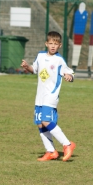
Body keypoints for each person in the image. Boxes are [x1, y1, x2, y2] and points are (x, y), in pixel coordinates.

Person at [21, 31, 76, 161]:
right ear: (46, 43)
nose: (52, 46)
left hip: (51, 95)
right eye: (50, 43)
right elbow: (34, 69)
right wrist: (26, 66)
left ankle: (67, 144)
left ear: (60, 46)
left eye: (55, 44)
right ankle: (51, 151)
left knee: (46, 121)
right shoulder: (40, 56)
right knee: (40, 123)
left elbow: (70, 72)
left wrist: (69, 76)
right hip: (40, 96)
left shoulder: (59, 60)